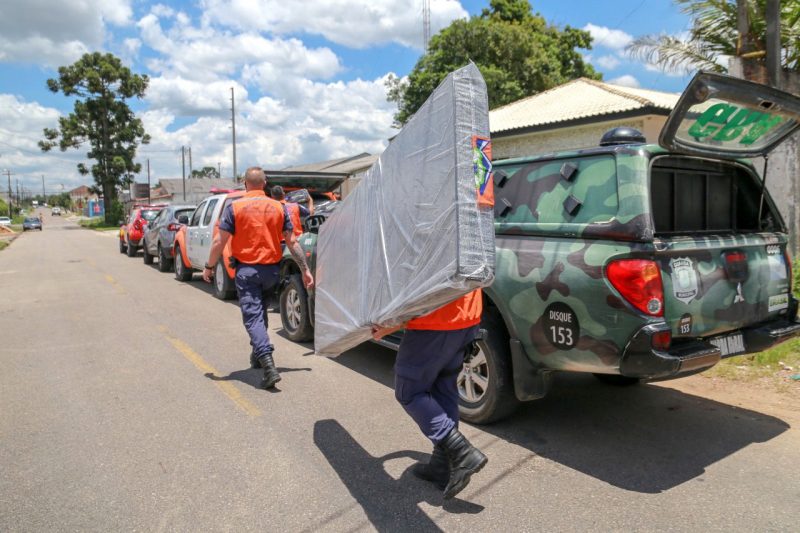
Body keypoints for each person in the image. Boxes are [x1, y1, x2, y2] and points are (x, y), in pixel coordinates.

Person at [203, 167, 313, 389]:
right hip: (271, 272)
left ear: (245, 184)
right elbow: (292, 242)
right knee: (260, 312)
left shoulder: (235, 208)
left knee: (252, 317)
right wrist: (305, 270)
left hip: (248, 272)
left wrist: (209, 267)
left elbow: (219, 242)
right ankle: (257, 355)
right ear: (265, 184)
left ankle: (268, 363)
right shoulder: (278, 208)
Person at [373, 289, 487, 500]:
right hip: (467, 316)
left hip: (436, 320)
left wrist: (392, 323)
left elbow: (423, 278)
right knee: (445, 388)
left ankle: (462, 452)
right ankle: (441, 467)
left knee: (409, 392)